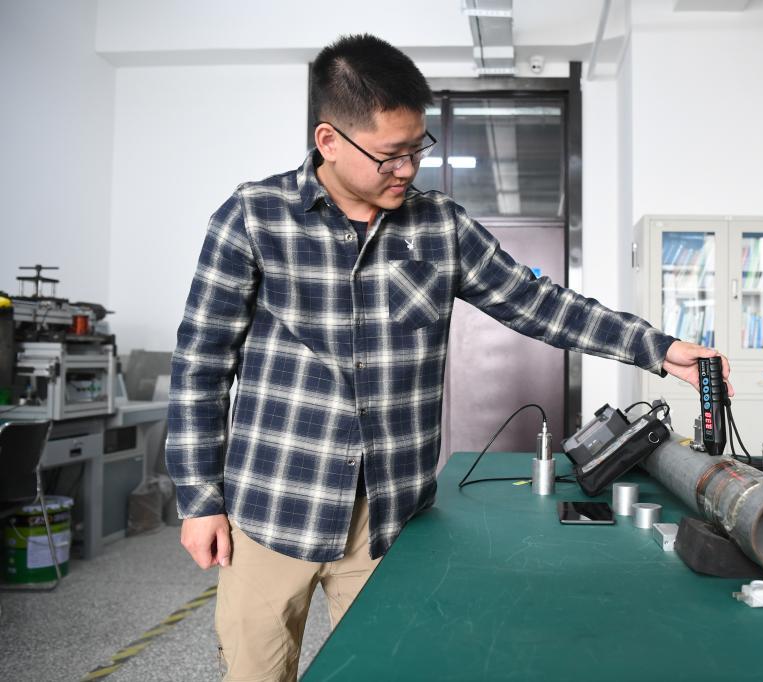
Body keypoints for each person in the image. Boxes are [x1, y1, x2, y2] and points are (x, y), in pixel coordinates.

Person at [166, 33, 732, 681]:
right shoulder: (252, 218)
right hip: (272, 508)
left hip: (389, 520)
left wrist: (657, 349)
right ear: (329, 140)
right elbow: (200, 367)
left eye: (418, 148)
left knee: (383, 670)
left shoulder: (440, 226)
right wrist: (199, 498)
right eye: (390, 154)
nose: (408, 169)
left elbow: (537, 303)